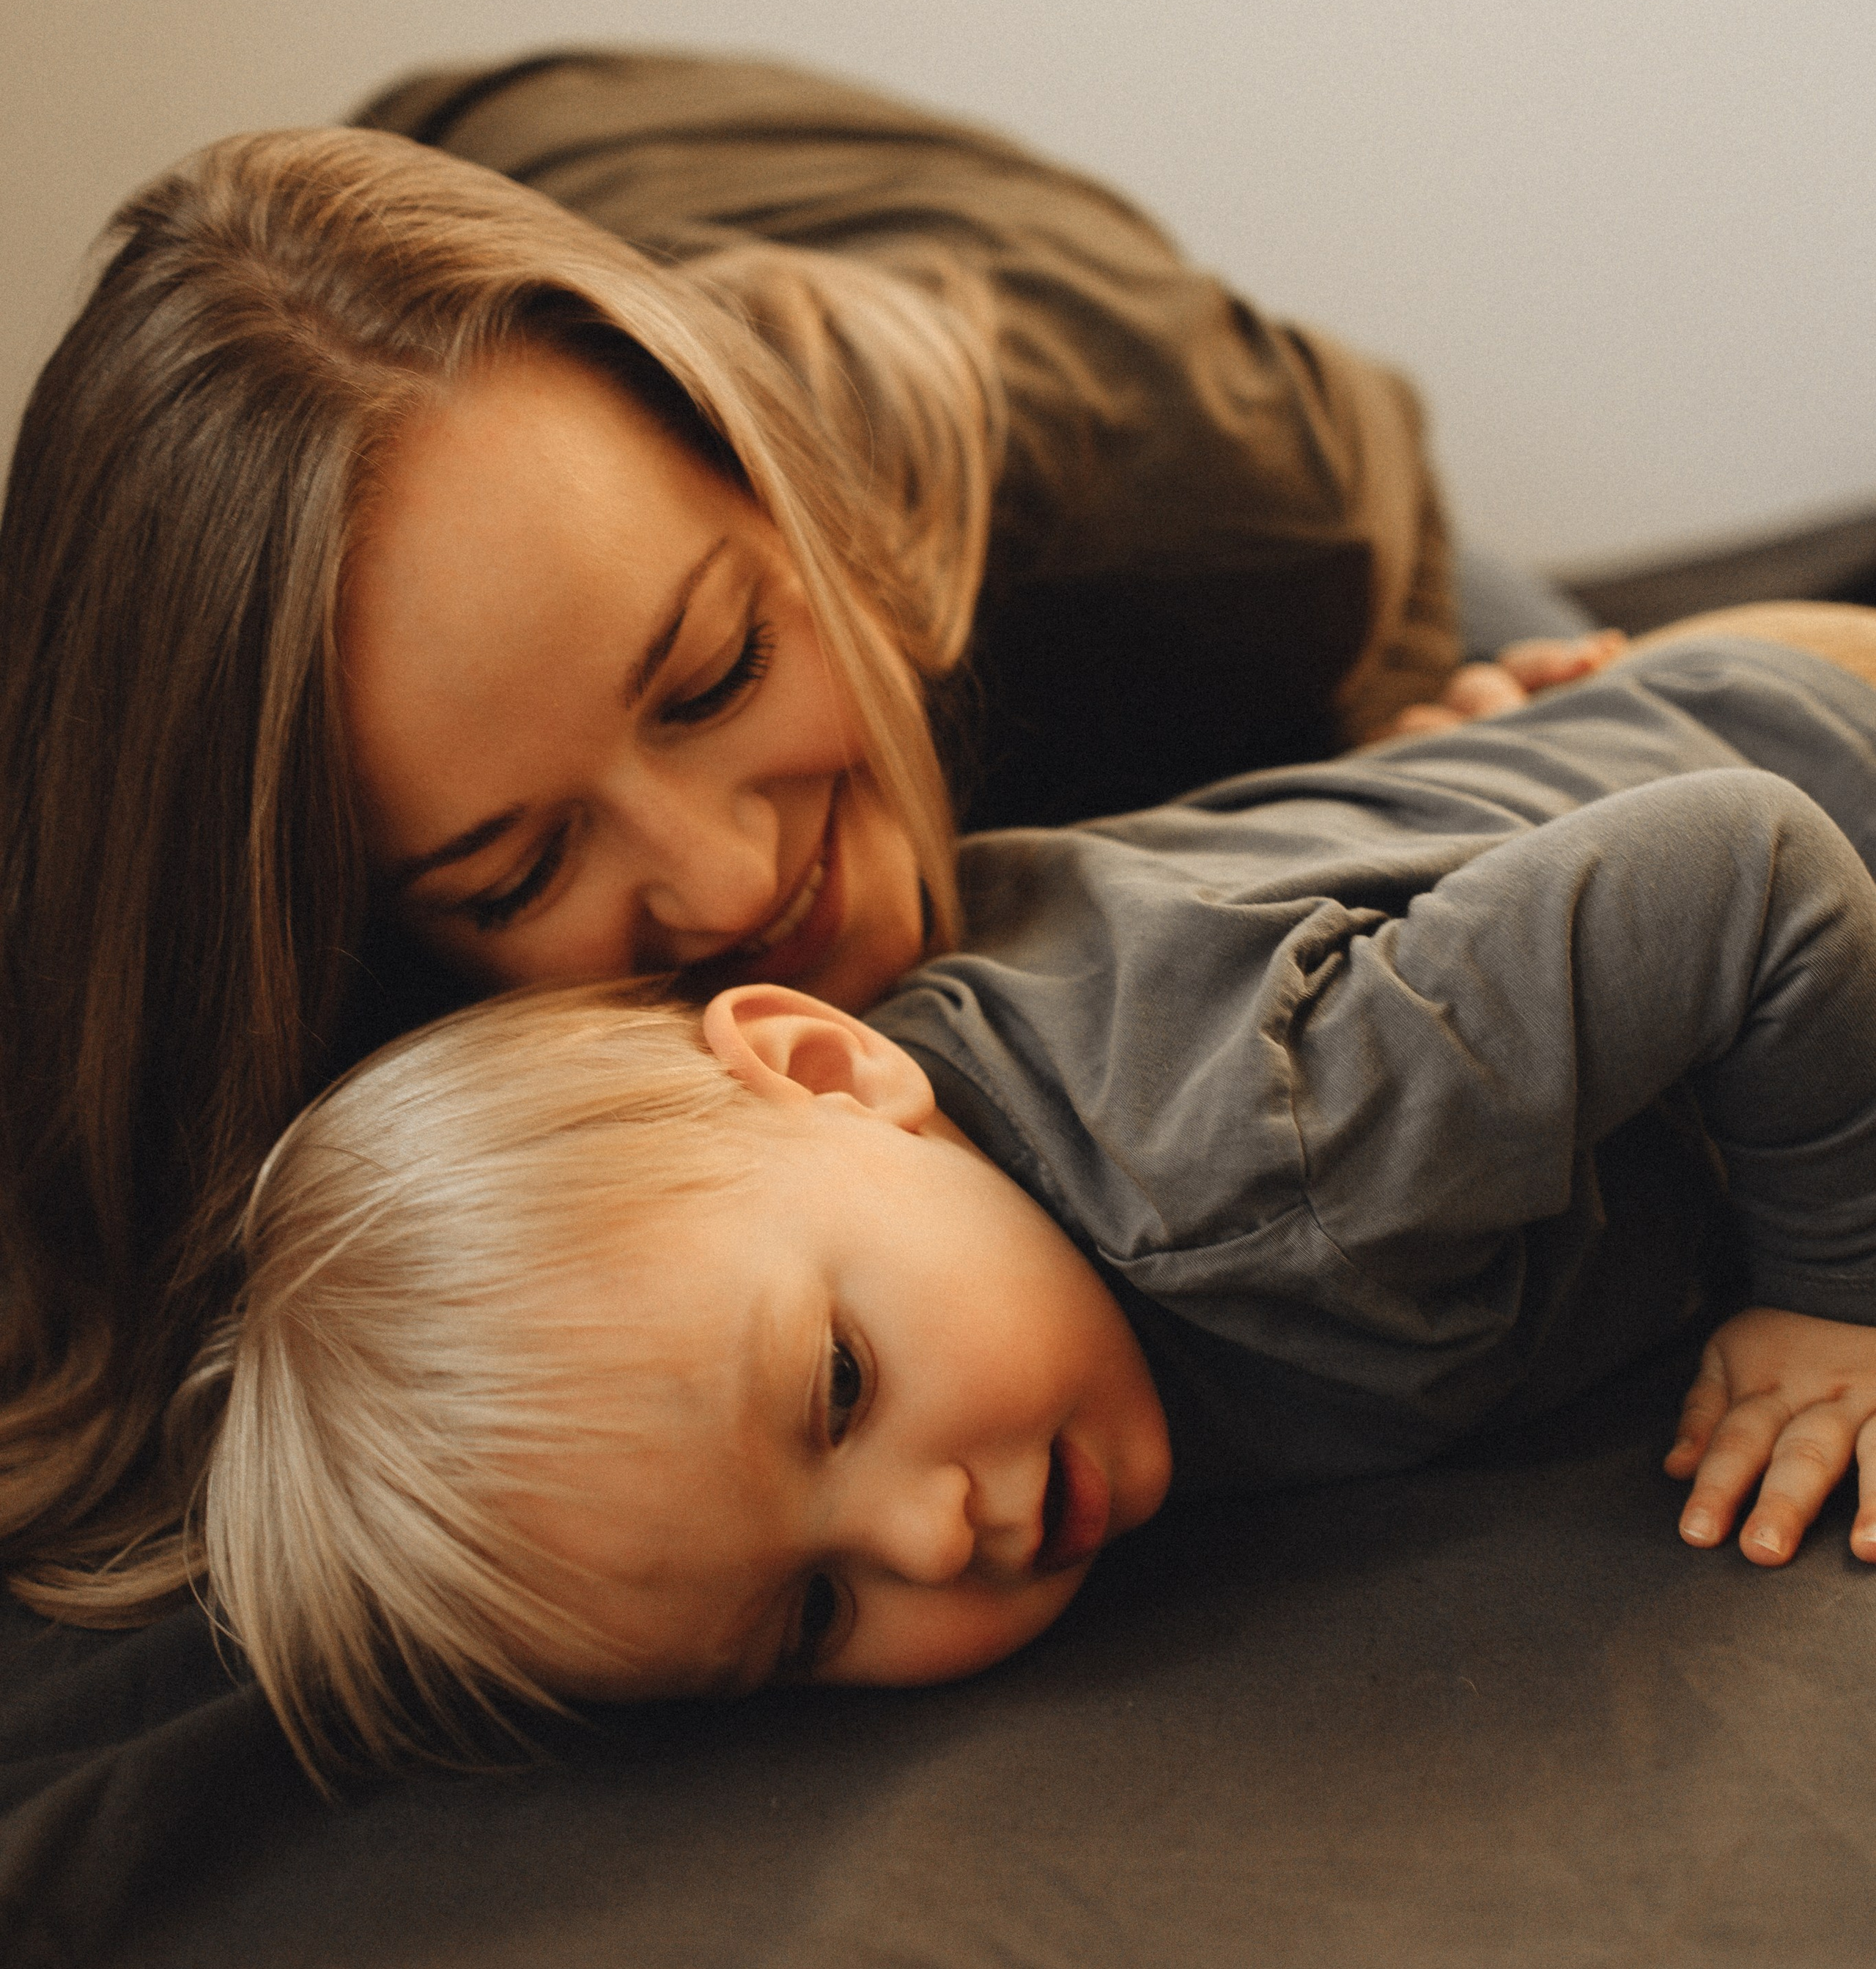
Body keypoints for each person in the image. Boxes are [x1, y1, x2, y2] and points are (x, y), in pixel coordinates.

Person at [0, 84, 1596, 1630]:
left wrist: (1401, 730)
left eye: (713, 677)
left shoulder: (1191, 518)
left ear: (791, 506)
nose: (724, 882)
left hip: (683, 182)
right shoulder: (288, 996)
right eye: (513, 875)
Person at [198, 612, 1876, 1782]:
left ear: (832, 1072)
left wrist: (1826, 1291)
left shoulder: (1257, 1170)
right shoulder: (890, 1149)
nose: (933, 1536)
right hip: (1586, 759)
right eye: (808, 1617)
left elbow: (1754, 870)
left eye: (838, 1391)